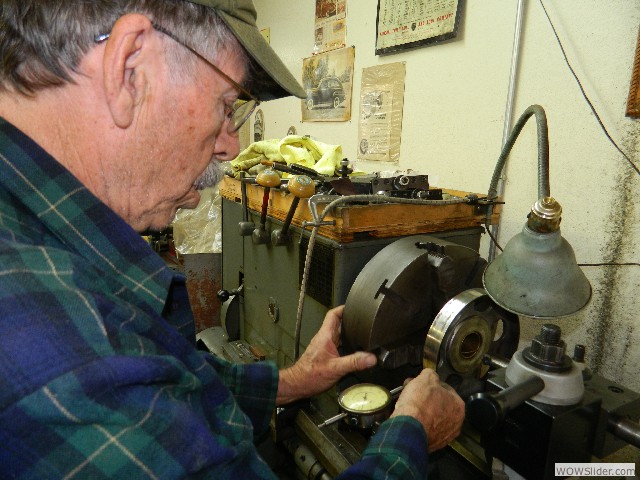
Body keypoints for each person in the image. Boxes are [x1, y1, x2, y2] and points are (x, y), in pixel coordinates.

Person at [0, 0, 465, 478]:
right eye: (227, 107)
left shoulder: (53, 240)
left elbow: (170, 378)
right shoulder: (61, 354)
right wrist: (410, 432)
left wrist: (293, 382)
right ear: (130, 67)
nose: (232, 147)